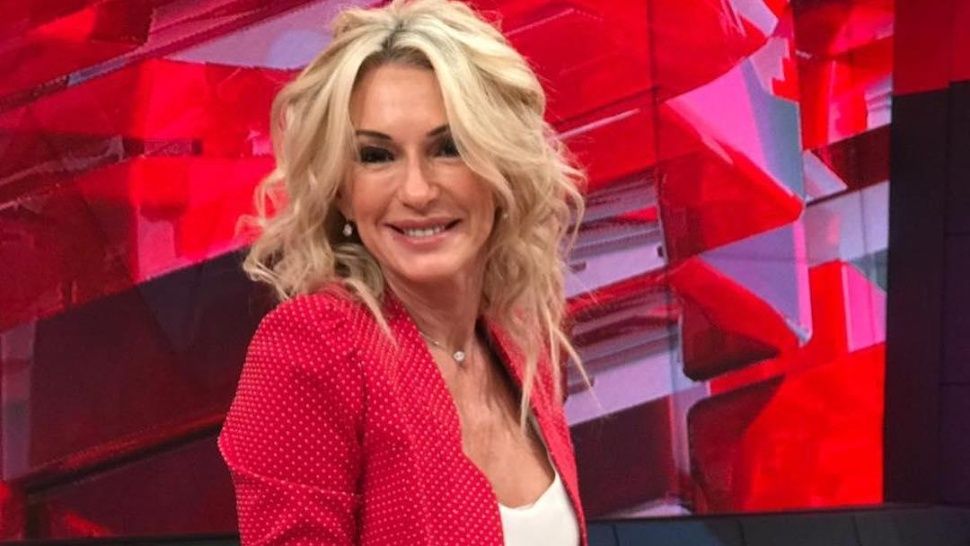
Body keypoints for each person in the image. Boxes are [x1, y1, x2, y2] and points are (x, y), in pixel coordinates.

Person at [218, 0, 589, 544]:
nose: (416, 191)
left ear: (502, 168)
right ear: (341, 191)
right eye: (376, 156)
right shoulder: (314, 349)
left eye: (449, 148)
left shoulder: (519, 341)